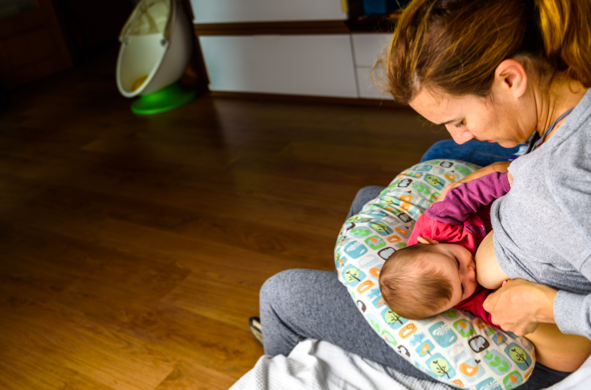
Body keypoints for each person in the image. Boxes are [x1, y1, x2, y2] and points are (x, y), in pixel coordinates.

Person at [256, 0, 591, 387]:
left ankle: (318, 350)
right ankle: (359, 320)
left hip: (525, 351)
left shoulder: (557, 185)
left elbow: (560, 200)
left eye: (460, 119)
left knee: (281, 294)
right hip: (493, 258)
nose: (461, 135)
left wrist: (547, 306)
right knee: (369, 197)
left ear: (511, 79)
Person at [380, 172, 512, 325]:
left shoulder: (436, 225)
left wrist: (504, 182)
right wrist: (503, 302)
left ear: (430, 243)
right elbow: (487, 310)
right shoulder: (455, 297)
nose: (470, 273)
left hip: (505, 203)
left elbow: (467, 195)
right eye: (463, 288)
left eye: (457, 263)